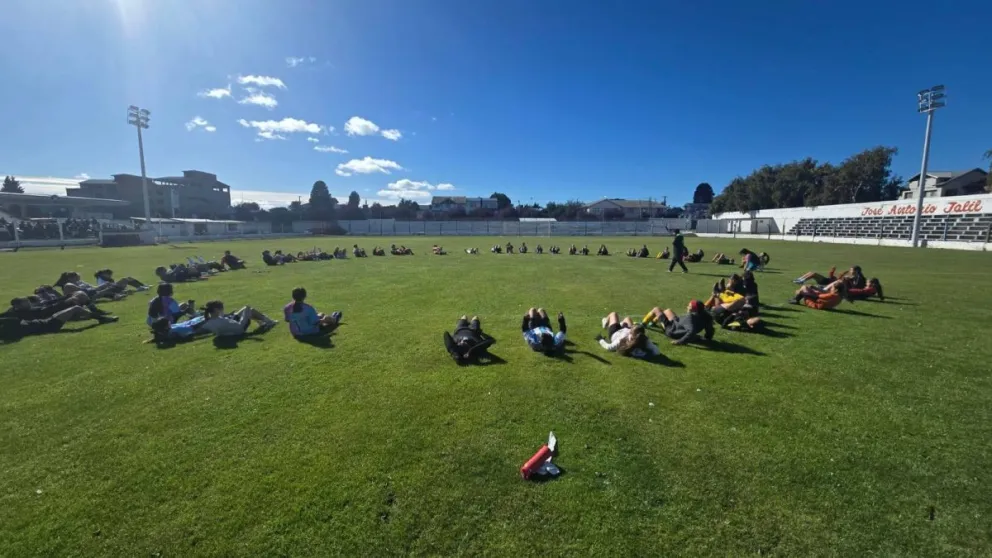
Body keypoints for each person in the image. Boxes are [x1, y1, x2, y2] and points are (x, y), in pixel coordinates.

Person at [0, 303, 118, 341]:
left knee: (75, 309)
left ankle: (100, 317)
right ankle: (103, 319)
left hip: (45, 322)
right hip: (47, 325)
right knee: (75, 308)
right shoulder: (6, 329)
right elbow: (15, 321)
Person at [642, 300, 715, 345]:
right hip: (677, 323)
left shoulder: (690, 317)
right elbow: (710, 330)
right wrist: (707, 338)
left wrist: (679, 342)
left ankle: (643, 324)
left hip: (671, 330)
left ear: (693, 309)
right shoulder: (706, 317)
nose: (687, 306)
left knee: (656, 309)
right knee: (667, 310)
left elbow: (691, 331)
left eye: (689, 306)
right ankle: (654, 322)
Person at [596, 313, 660, 358]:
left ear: (631, 333)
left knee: (613, 314)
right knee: (627, 319)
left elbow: (609, 347)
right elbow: (657, 352)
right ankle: (622, 323)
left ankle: (605, 323)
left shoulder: (622, 339)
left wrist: (600, 339)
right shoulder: (644, 339)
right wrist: (647, 354)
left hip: (615, 332)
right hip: (625, 330)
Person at [201, 300, 278, 337]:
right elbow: (239, 326)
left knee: (243, 311)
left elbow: (224, 322)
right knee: (248, 309)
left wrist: (231, 315)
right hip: (239, 329)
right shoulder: (222, 321)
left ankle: (262, 322)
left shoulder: (208, 322)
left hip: (229, 330)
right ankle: (269, 321)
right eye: (222, 309)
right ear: (216, 310)